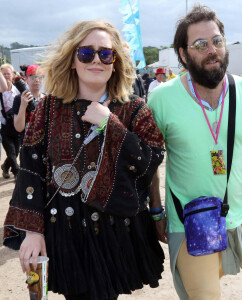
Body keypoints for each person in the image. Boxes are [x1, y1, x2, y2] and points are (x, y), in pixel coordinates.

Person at [3, 20, 165, 300]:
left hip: (116, 233)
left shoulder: (135, 109)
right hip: (67, 232)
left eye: (106, 53)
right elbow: (31, 168)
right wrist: (32, 230)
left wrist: (110, 125)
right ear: (72, 59)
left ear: (115, 62)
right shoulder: (48, 109)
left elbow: (150, 162)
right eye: (86, 53)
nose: (96, 60)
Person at [148, 5, 242, 300]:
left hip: (237, 218)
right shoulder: (161, 98)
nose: (212, 50)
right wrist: (156, 211)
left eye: (217, 41)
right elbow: (151, 163)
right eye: (200, 45)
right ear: (183, 54)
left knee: (210, 283)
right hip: (188, 220)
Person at [13, 64, 45, 143]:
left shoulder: (46, 99)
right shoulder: (19, 99)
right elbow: (19, 128)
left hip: (45, 144)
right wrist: (23, 106)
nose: (37, 80)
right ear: (26, 79)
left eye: (40, 77)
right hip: (27, 144)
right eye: (33, 77)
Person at [0, 63, 20, 180]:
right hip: (4, 126)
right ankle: (17, 172)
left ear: (12, 75)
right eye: (4, 74)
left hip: (17, 125)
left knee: (16, 151)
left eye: (8, 73)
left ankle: (5, 166)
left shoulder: (17, 90)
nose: (6, 76)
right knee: (11, 152)